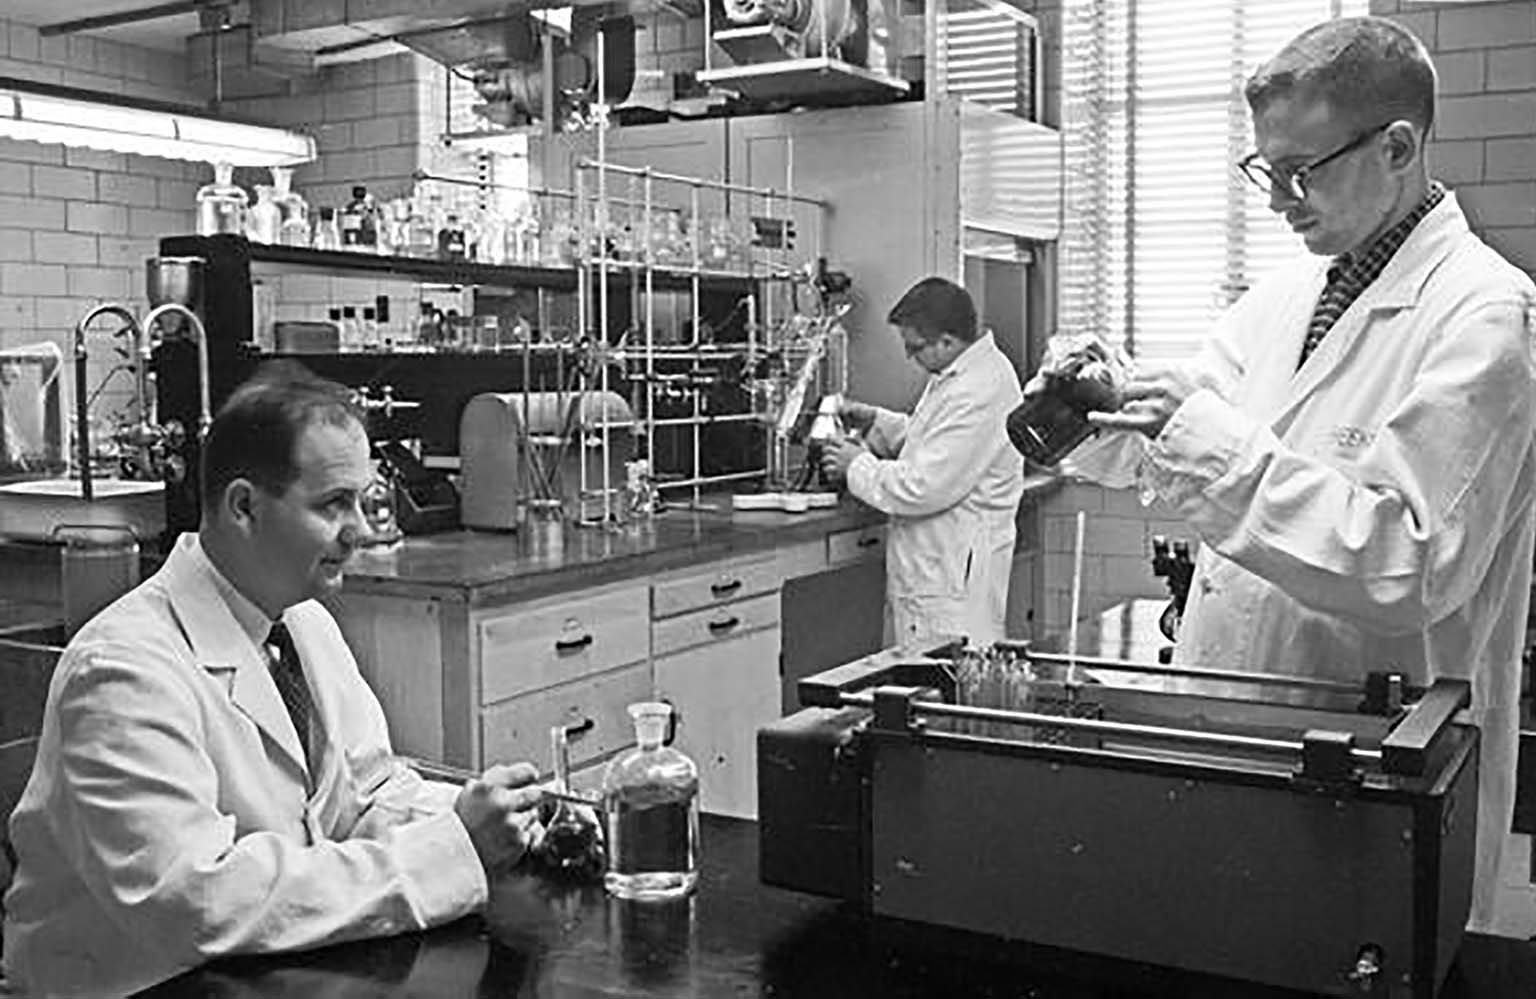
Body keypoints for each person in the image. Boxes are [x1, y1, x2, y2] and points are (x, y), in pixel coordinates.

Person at [1050, 16, 1536, 934]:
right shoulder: (1286, 297)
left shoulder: (1485, 316)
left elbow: (1407, 564)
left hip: (1374, 773)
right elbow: (1191, 431)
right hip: (1237, 739)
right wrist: (1096, 406)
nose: (1278, 198)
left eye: (1301, 170)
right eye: (1264, 169)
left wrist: (1201, 439)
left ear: (1399, 146)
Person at [2, 363, 546, 997]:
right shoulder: (123, 670)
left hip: (263, 975)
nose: (362, 531)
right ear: (243, 507)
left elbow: (363, 793)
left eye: (361, 499)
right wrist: (447, 853)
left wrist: (489, 817)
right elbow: (196, 899)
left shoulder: (301, 622)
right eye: (332, 504)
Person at [821, 277, 1025, 645]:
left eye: (915, 348)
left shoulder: (978, 387)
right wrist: (878, 421)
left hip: (949, 577)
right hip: (942, 566)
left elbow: (924, 486)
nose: (909, 357)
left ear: (947, 340)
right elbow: (934, 441)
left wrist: (856, 464)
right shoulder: (961, 371)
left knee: (941, 688)